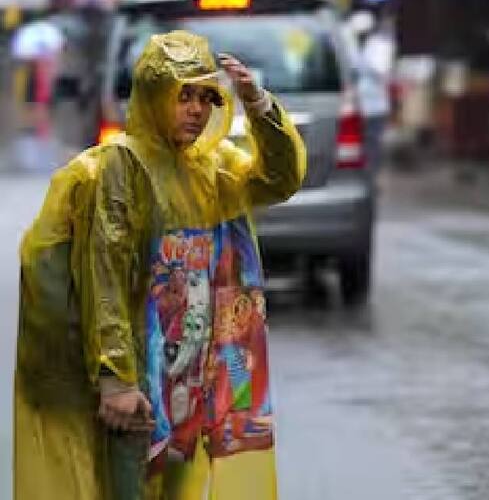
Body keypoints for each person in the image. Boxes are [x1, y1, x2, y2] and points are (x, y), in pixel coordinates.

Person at [15, 30, 306, 499]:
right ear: (153, 95)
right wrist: (115, 380)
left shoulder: (212, 168)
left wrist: (260, 107)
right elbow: (103, 274)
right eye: (181, 95)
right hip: (139, 386)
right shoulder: (118, 167)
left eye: (206, 97)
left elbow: (280, 180)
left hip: (196, 382)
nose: (196, 109)